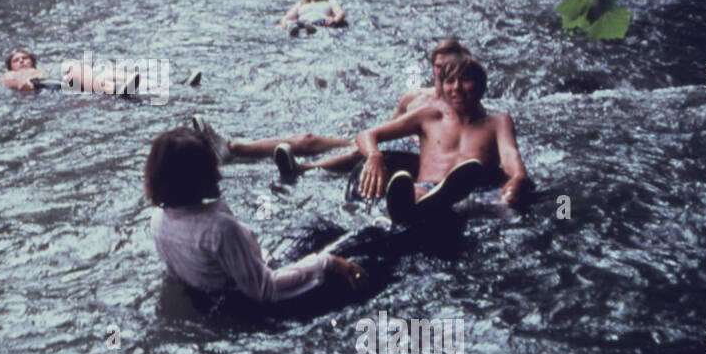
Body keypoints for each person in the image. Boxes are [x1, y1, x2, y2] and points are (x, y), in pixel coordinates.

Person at [193, 39, 472, 179]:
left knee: (354, 152)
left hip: (418, 157)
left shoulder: (462, 98)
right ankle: (232, 147)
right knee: (309, 138)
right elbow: (387, 128)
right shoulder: (414, 97)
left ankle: (303, 169)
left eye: (449, 68)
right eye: (438, 67)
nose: (443, 74)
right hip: (391, 144)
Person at [145, 128, 365, 304]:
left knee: (314, 228)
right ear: (195, 178)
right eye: (210, 169)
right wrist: (328, 263)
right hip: (254, 301)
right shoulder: (219, 230)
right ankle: (377, 223)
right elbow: (266, 289)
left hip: (217, 294)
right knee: (349, 243)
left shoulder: (159, 219)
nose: (218, 176)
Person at [355, 56, 530, 220]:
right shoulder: (428, 115)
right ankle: (402, 216)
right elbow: (367, 134)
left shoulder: (497, 121)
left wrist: (518, 178)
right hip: (427, 191)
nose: (457, 88)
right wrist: (374, 156)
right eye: (450, 81)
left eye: (466, 80)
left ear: (480, 86)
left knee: (503, 204)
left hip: (474, 195)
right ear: (442, 88)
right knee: (416, 193)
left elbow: (509, 156)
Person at [0, 47, 140, 95]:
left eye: (25, 58)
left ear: (32, 61)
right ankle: (114, 87)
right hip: (49, 80)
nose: (22, 61)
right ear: (11, 66)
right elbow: (13, 81)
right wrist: (21, 84)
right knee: (79, 71)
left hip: (55, 72)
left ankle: (128, 79)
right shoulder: (10, 74)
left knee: (91, 71)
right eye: (16, 60)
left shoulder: (40, 69)